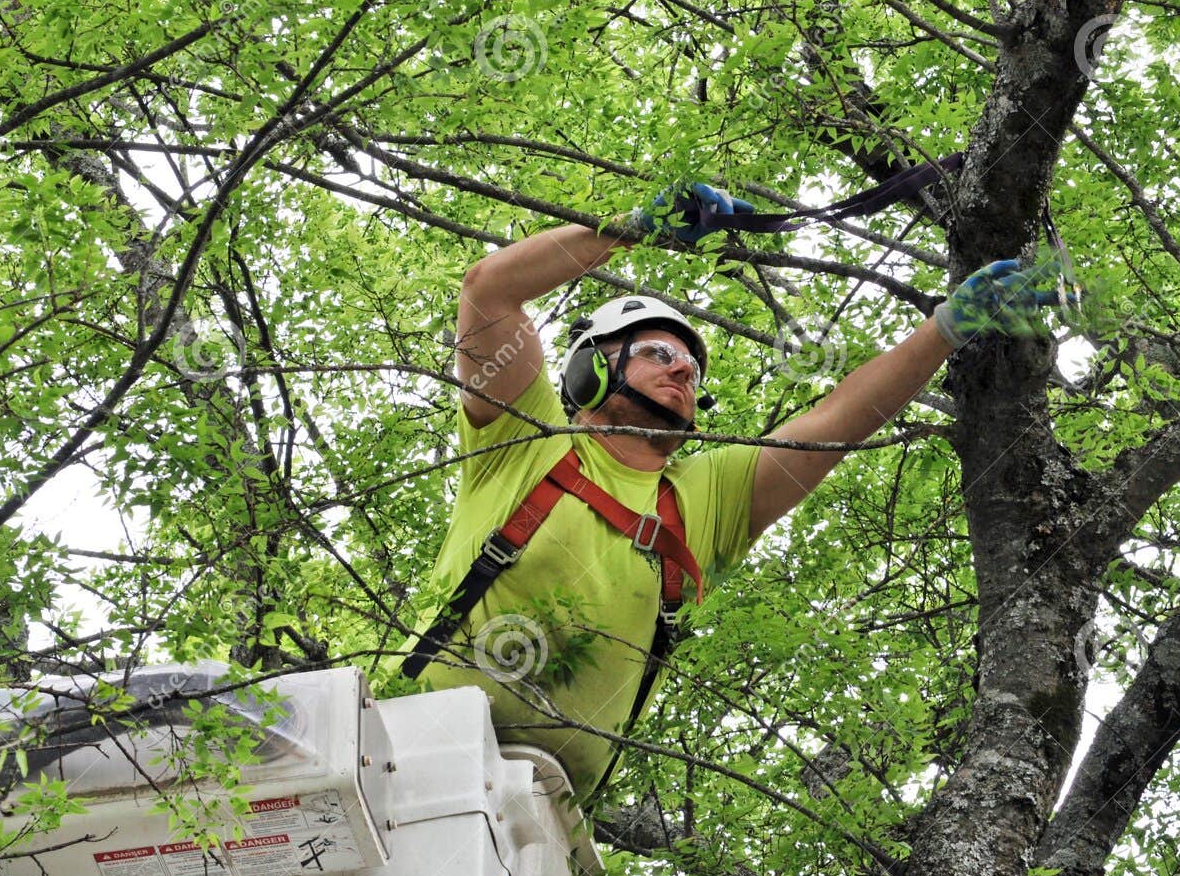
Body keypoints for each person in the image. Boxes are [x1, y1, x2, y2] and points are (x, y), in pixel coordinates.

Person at [402, 184, 1058, 800]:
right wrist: (639, 227)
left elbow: (834, 420)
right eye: (659, 352)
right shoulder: (527, 436)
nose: (684, 366)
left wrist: (944, 327)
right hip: (411, 759)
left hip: (543, 819)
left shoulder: (698, 501)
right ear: (590, 368)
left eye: (690, 365)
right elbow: (488, 292)